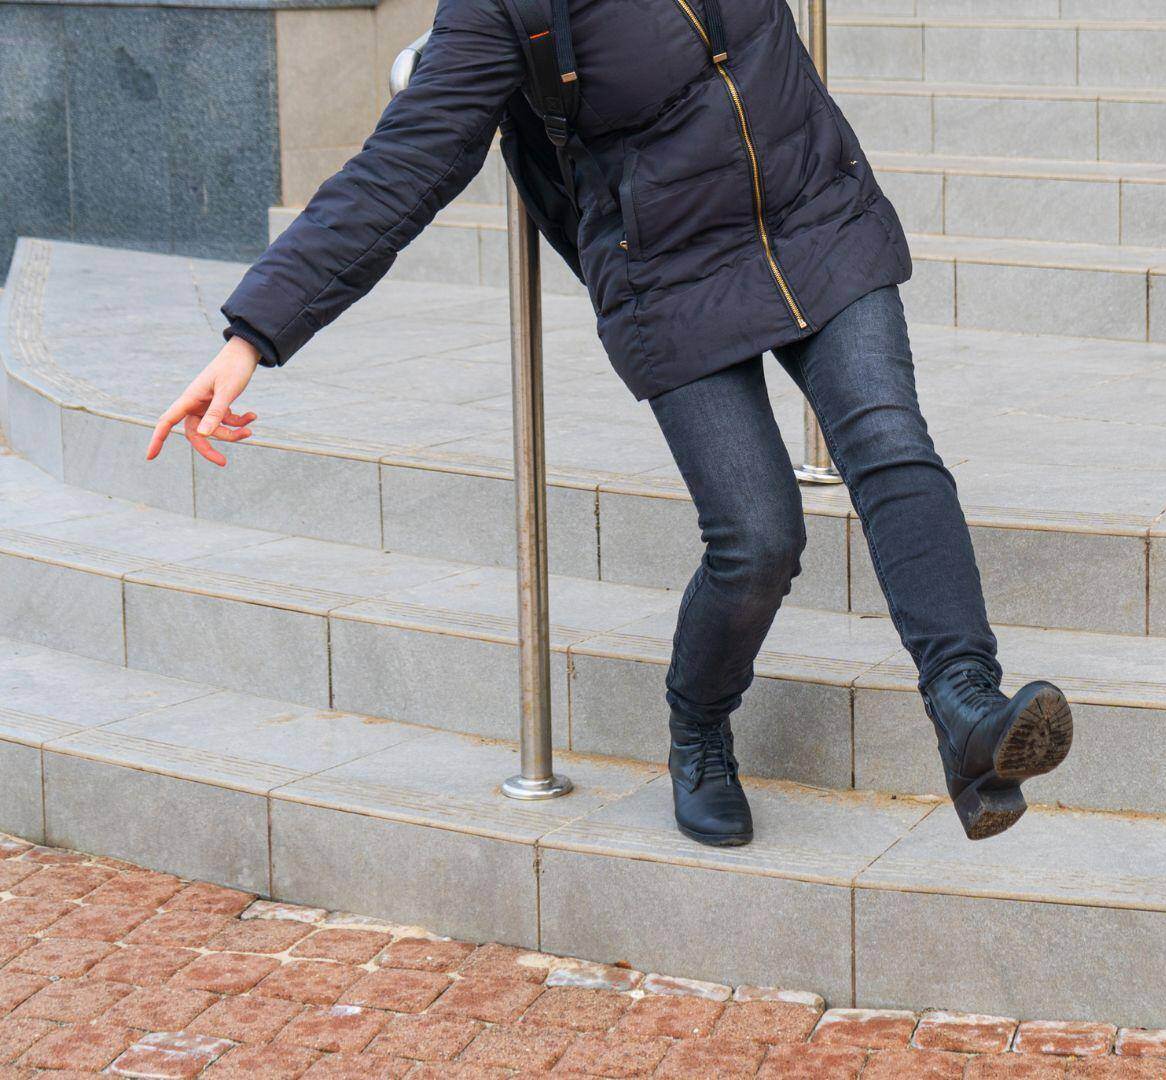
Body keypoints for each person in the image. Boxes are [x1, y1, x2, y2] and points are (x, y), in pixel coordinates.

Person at [142, 0, 1072, 847]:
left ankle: (966, 708)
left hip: (818, 211)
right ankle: (698, 725)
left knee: (889, 441)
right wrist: (254, 333)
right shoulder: (501, 9)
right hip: (667, 274)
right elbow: (402, 165)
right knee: (757, 538)